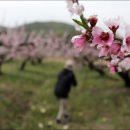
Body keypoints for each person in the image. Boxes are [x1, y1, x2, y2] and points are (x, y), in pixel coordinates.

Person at [54, 59, 77, 124]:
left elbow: (59, 77)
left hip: (56, 91)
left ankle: (66, 116)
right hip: (63, 93)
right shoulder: (71, 74)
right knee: (62, 107)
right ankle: (58, 119)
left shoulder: (61, 72)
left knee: (63, 105)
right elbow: (75, 84)